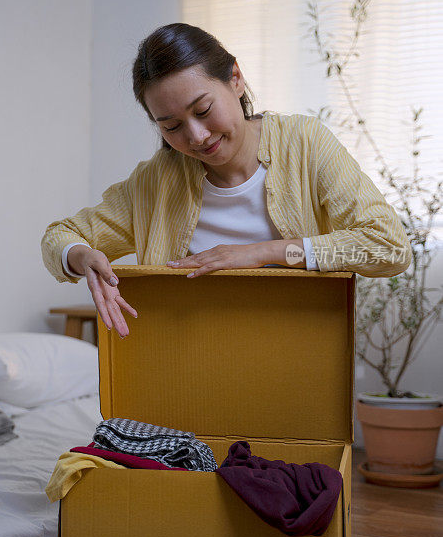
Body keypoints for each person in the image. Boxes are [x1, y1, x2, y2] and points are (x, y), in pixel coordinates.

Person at [41, 22, 412, 339]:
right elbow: (60, 235)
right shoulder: (157, 181)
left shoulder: (304, 142)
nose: (197, 136)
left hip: (298, 365)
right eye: (171, 126)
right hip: (185, 368)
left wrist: (263, 252)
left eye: (203, 110)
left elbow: (388, 246)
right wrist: (81, 256)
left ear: (235, 78)